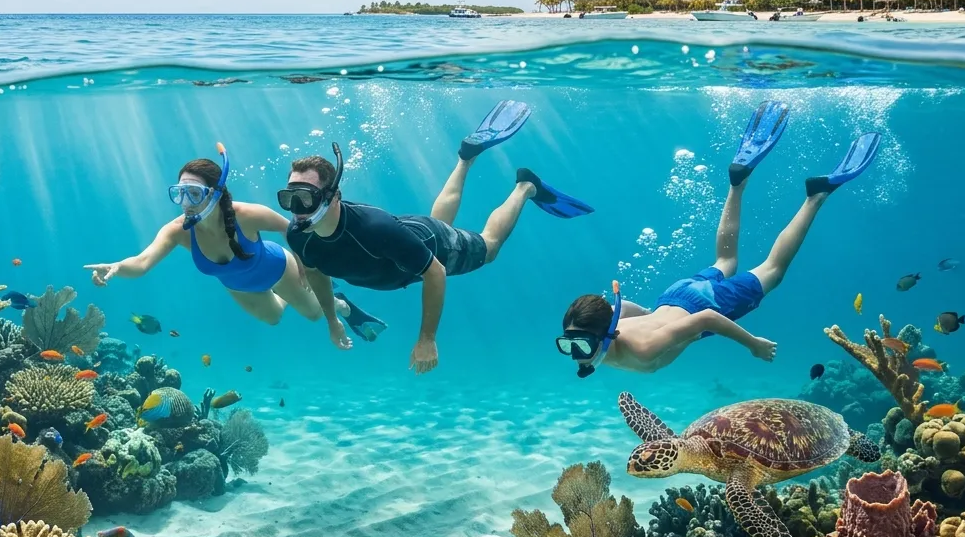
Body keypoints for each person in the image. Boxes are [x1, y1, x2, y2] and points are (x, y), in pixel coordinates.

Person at [557, 101, 881, 377]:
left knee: (773, 270)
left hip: (703, 306)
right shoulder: (610, 330)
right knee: (725, 261)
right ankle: (737, 182)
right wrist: (645, 314)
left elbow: (708, 318)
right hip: (673, 297)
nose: (576, 354)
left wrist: (753, 344)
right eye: (568, 345)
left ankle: (816, 197)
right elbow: (618, 306)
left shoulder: (642, 349)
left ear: (607, 333)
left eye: (580, 344)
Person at [280, 100, 593, 374]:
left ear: (333, 196)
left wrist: (427, 338)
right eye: (288, 198)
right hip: (407, 238)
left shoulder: (372, 229)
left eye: (305, 198)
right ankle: (465, 157)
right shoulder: (298, 236)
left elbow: (435, 272)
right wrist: (332, 319)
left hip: (433, 245)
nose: (296, 210)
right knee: (436, 222)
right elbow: (317, 270)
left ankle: (525, 187)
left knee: (489, 247)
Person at [83, 144, 387, 344]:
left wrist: (306, 263)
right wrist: (117, 267)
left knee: (313, 314)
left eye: (194, 194)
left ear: (215, 194)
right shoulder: (177, 231)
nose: (186, 204)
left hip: (279, 268)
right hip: (241, 287)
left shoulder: (246, 214)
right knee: (273, 319)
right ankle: (304, 297)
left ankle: (340, 304)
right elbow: (143, 262)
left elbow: (289, 227)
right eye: (179, 194)